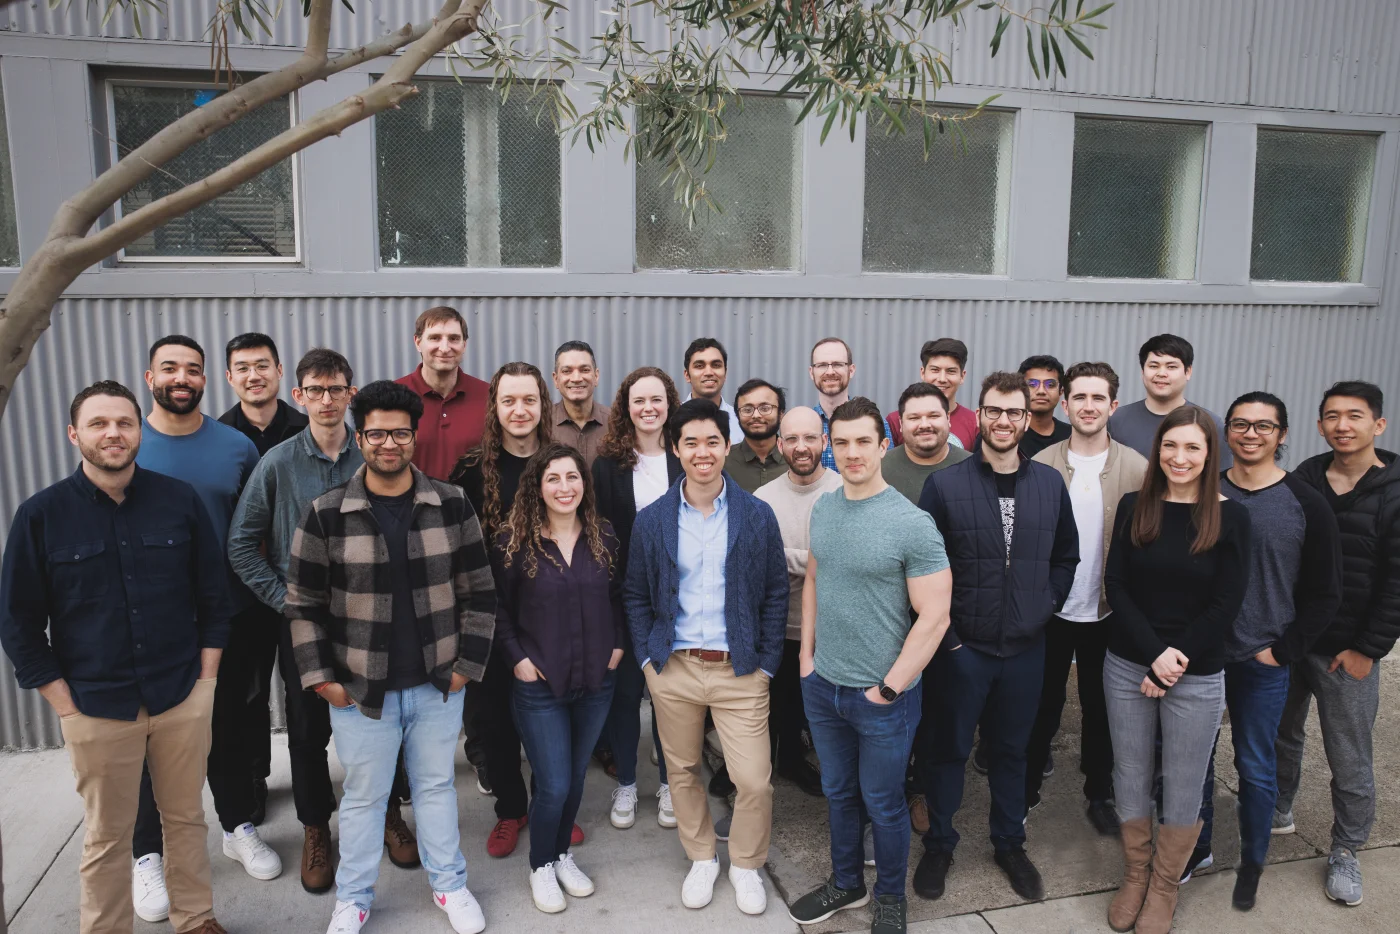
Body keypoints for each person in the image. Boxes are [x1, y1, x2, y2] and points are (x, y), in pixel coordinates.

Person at [0, 380, 232, 934]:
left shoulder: (179, 500)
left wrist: (205, 687)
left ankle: (196, 919)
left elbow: (214, 598)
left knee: (186, 819)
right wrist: (65, 706)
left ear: (139, 432)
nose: (113, 434)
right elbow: (18, 622)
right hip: (95, 704)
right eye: (99, 423)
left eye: (125, 423)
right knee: (107, 836)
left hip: (180, 695)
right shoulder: (41, 515)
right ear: (74, 433)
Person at [285, 380, 497, 934]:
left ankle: (449, 884)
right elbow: (302, 605)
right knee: (364, 798)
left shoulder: (450, 503)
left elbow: (479, 593)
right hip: (360, 690)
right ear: (359, 438)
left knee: (435, 789)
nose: (388, 444)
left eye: (399, 433)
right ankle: (353, 899)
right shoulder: (327, 513)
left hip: (436, 685)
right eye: (376, 434)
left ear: (413, 436)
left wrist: (465, 668)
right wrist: (323, 681)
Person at [230, 349, 418, 894]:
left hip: (374, 622)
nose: (327, 400)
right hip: (306, 626)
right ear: (299, 396)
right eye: (316, 390)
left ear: (350, 394)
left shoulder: (374, 452)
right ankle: (316, 827)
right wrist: (288, 603)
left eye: (337, 389)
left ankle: (388, 812)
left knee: (381, 718)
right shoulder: (278, 463)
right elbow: (241, 544)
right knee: (309, 730)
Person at [788, 398, 953, 934]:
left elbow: (936, 616)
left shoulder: (912, 523)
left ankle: (889, 897)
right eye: (841, 442)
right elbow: (814, 581)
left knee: (883, 803)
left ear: (884, 445)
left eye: (863, 441)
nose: (852, 452)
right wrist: (807, 659)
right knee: (838, 793)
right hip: (824, 686)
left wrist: (889, 688)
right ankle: (846, 883)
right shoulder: (825, 508)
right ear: (830, 449)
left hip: (884, 699)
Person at [913, 372, 1079, 904]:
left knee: (1013, 752)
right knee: (947, 751)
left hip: (1026, 649)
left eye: (1013, 412)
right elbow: (924, 567)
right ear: (979, 415)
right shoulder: (945, 486)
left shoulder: (1049, 484)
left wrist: (1046, 605)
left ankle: (1010, 843)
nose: (1003, 421)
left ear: (1027, 419)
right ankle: (940, 844)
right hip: (962, 649)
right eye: (993, 411)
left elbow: (1066, 556)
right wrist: (950, 641)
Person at [624, 398, 788, 916]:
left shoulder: (756, 514)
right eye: (690, 442)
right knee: (682, 769)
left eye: (712, 441)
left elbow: (776, 592)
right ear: (675, 449)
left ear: (727, 445)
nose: (702, 452)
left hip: (740, 669)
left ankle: (745, 864)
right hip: (673, 667)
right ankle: (701, 856)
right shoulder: (652, 520)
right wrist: (648, 662)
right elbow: (635, 594)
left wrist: (766, 664)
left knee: (754, 779)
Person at [130, 335, 273, 916]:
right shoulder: (129, 442)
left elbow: (257, 527)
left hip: (227, 615)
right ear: (150, 378)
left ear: (206, 380)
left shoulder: (237, 447)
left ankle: (237, 826)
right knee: (147, 738)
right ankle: (147, 854)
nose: (181, 378)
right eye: (169, 368)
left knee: (228, 729)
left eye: (192, 369)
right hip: (150, 621)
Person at [1183, 392, 1339, 911]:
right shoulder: (1203, 489)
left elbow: (1326, 591)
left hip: (1261, 659)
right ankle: (1197, 849)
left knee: (1254, 764)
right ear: (1226, 432)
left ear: (1283, 434)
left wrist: (1283, 650)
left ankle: (1252, 860)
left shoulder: (1305, 502)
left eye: (1263, 426)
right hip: (1201, 656)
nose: (1250, 434)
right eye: (1240, 424)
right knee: (1193, 760)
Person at [1102, 405, 1251, 934]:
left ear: (1210, 454)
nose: (1179, 457)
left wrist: (1173, 660)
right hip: (1127, 664)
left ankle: (1165, 885)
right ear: (1157, 449)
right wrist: (1153, 654)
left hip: (1197, 672)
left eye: (1192, 447)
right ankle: (1135, 875)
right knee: (1130, 774)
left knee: (1185, 783)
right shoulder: (1134, 506)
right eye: (1170, 445)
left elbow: (1226, 603)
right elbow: (1116, 585)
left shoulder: (1231, 518)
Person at [1281, 380, 1400, 908]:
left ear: (1378, 424)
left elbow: (1396, 583)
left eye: (1355, 415)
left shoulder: (1394, 491)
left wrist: (1368, 648)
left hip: (1346, 650)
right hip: (1291, 640)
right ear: (1319, 425)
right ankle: (1277, 810)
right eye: (1332, 416)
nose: (1342, 425)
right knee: (1280, 735)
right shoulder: (1303, 479)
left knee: (1348, 753)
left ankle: (1347, 847)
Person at [492, 444, 625, 913]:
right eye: (553, 478)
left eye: (573, 477)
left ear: (584, 484)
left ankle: (562, 854)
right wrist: (517, 659)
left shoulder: (603, 535)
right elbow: (497, 608)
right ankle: (541, 865)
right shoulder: (513, 540)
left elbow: (618, 596)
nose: (565, 487)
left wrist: (617, 646)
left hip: (596, 680)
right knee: (553, 784)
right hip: (539, 686)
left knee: (575, 778)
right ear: (537, 486)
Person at [450, 362, 566, 859]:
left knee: (549, 719)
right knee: (493, 721)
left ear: (543, 405)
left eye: (529, 400)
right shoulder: (471, 469)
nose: (520, 410)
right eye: (509, 401)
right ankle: (510, 810)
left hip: (548, 616)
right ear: (494, 408)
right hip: (487, 615)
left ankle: (548, 808)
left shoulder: (560, 464)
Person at [1027, 362, 1147, 835]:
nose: (1089, 406)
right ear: (1065, 404)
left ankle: (1099, 792)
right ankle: (1026, 789)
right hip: (1051, 610)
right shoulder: (1040, 465)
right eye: (1079, 397)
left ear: (1113, 406)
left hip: (1108, 611)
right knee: (1041, 705)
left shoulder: (1138, 468)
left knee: (1102, 709)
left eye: (1098, 398)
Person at [219, 332, 309, 826]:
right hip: (247, 590)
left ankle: (310, 785)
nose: (254, 376)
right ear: (230, 377)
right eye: (243, 368)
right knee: (248, 695)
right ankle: (255, 780)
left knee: (304, 696)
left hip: (304, 590)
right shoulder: (218, 437)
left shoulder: (308, 426)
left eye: (262, 365)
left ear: (279, 371)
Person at [592, 366, 684, 830]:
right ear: (625, 409)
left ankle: (670, 783)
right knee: (626, 694)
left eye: (656, 399)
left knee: (669, 697)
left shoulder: (685, 456)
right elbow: (600, 534)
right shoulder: (608, 465)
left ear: (669, 404)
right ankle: (627, 782)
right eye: (638, 401)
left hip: (680, 597)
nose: (648, 408)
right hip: (627, 596)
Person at [754, 407, 843, 796]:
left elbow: (844, 558)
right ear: (780, 445)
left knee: (825, 711)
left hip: (831, 629)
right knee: (782, 705)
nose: (801, 447)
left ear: (824, 442)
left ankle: (831, 771)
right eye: (791, 439)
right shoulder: (763, 499)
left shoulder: (845, 490)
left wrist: (786, 557)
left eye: (809, 438)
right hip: (780, 628)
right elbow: (757, 563)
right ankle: (784, 762)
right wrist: (813, 559)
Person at [394, 306, 491, 480]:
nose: (445, 348)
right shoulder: (393, 396)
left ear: (464, 345)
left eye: (454, 338)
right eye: (435, 338)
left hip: (472, 499)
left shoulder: (489, 396)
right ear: (417, 342)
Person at [1108, 334, 1232, 469]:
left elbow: (1220, 476)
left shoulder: (1211, 424)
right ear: (1143, 372)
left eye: (1171, 367)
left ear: (1188, 372)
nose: (1161, 373)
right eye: (1154, 366)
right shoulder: (1114, 420)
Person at [882, 383, 971, 504]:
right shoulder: (878, 470)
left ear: (948, 418)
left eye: (933, 416)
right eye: (914, 418)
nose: (924, 425)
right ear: (901, 423)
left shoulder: (974, 469)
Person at [809, 337, 890, 469]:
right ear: (812, 372)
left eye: (837, 364)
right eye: (822, 365)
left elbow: (886, 471)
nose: (830, 372)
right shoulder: (805, 426)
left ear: (851, 370)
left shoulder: (875, 422)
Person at [887, 339, 976, 450]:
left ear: (962, 376)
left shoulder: (975, 423)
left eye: (951, 371)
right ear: (923, 372)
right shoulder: (894, 421)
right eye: (935, 370)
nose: (942, 379)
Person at [550, 340, 609, 467]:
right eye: (567, 371)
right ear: (556, 379)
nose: (576, 378)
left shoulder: (616, 423)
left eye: (584, 370)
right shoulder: (542, 423)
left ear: (596, 376)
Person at [725, 378, 787, 493]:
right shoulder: (723, 462)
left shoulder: (794, 459)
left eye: (765, 408)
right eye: (747, 410)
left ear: (781, 413)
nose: (756, 415)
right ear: (737, 415)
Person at [682, 337, 744, 443]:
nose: (709, 372)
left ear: (725, 373)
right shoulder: (670, 419)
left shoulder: (741, 421)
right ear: (687, 375)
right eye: (699, 366)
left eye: (716, 365)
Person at [1017, 355, 1071, 458]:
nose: (1041, 391)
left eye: (1050, 385)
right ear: (1020, 390)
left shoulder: (1072, 437)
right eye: (1032, 384)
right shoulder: (1009, 433)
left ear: (1061, 391)